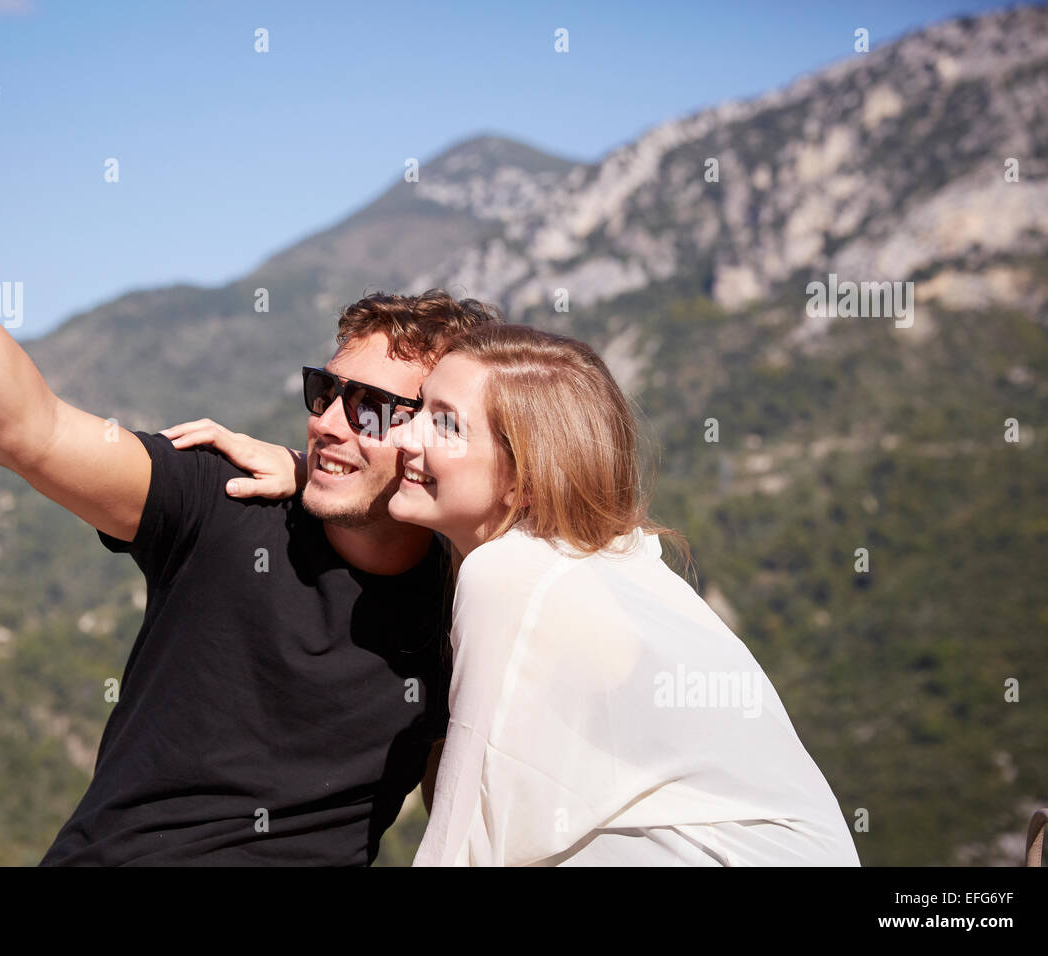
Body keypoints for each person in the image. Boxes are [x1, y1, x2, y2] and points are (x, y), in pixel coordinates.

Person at [0, 88, 504, 864]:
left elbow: (464, 821)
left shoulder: (471, 599)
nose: (330, 423)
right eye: (325, 392)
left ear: (436, 436)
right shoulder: (221, 499)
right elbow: (26, 429)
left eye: (371, 408)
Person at [173, 324, 862, 866]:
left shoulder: (508, 575)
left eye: (443, 424)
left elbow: (471, 832)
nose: (405, 436)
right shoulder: (609, 556)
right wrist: (308, 470)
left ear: (522, 481)